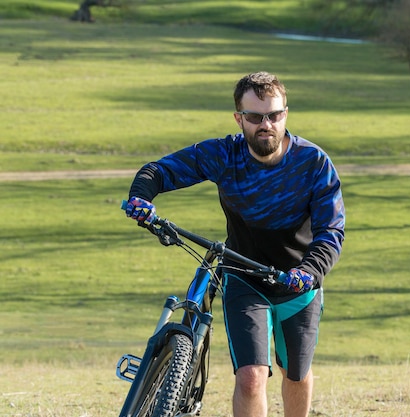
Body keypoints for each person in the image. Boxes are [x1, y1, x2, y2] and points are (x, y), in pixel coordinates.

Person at [124, 71, 345, 417]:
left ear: (286, 113)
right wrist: (141, 199)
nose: (266, 124)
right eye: (255, 117)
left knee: (296, 375)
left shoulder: (314, 164)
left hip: (298, 285)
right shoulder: (225, 155)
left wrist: (308, 271)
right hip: (244, 279)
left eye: (274, 115)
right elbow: (159, 171)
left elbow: (331, 231)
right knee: (251, 379)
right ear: (239, 118)